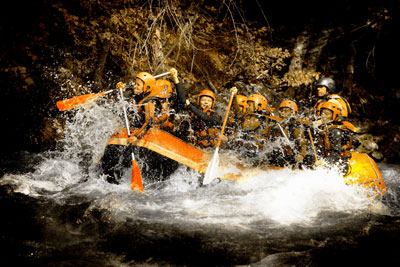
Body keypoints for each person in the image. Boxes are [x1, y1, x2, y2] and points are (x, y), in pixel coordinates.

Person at [169, 68, 225, 149]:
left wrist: (190, 107)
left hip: (209, 147)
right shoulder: (194, 110)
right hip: (195, 144)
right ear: (199, 101)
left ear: (212, 103)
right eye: (204, 100)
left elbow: (205, 117)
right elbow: (183, 100)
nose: (206, 102)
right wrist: (176, 79)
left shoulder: (216, 115)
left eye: (209, 101)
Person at [314, 101, 359, 174]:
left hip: (340, 163)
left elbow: (336, 154)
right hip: (327, 158)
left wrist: (323, 162)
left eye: (326, 114)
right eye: (322, 113)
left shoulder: (336, 132)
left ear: (334, 116)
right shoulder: (322, 128)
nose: (323, 116)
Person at [268, 99, 307, 167]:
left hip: (292, 156)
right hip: (280, 154)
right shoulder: (278, 124)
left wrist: (301, 155)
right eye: (281, 111)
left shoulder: (295, 126)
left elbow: (303, 143)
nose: (282, 113)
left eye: (286, 111)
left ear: (292, 113)